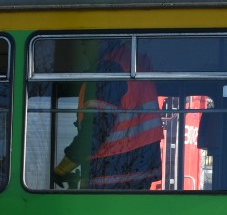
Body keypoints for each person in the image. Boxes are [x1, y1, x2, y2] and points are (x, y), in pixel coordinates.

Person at [51, 49, 161, 190]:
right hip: (137, 171)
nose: (82, 46)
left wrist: (62, 169)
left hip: (113, 170)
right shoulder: (134, 61)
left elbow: (94, 133)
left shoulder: (109, 69)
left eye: (86, 39)